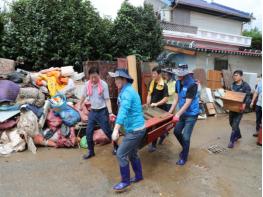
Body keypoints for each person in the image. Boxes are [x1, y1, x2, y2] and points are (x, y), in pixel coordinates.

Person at [109, 69, 145, 192]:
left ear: (124, 79)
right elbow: (123, 111)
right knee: (132, 153)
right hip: (134, 128)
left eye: (118, 79)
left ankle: (125, 181)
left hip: (136, 130)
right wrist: (118, 119)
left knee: (120, 154)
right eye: (115, 79)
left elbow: (124, 110)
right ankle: (139, 176)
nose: (115, 81)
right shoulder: (125, 90)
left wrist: (116, 128)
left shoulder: (128, 92)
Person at [79, 66, 117, 160]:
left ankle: (116, 147)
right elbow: (83, 96)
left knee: (107, 131)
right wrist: (80, 105)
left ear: (98, 75)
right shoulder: (87, 85)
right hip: (93, 112)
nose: (93, 79)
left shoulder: (103, 84)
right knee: (88, 131)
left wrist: (110, 112)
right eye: (91, 77)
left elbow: (107, 100)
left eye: (95, 77)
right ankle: (91, 152)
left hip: (102, 111)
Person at [168, 64, 199, 166]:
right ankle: (185, 148)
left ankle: (184, 157)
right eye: (178, 74)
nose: (178, 76)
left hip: (191, 114)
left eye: (181, 74)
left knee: (186, 137)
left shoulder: (192, 84)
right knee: (176, 132)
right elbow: (176, 99)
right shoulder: (177, 82)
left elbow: (188, 102)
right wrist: (170, 112)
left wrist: (177, 114)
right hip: (182, 112)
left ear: (186, 74)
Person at [146, 66, 168, 152]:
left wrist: (156, 104)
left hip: (161, 110)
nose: (153, 75)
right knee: (154, 127)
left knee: (156, 128)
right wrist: (148, 103)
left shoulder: (164, 85)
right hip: (152, 109)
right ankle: (162, 135)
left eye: (154, 73)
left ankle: (153, 145)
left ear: (159, 74)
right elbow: (149, 94)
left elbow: (165, 99)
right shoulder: (151, 83)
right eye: (152, 73)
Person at [227, 70, 251, 148]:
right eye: (234, 75)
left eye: (236, 75)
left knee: (235, 124)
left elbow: (248, 97)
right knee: (231, 123)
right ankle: (239, 135)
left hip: (240, 108)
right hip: (232, 108)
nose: (235, 77)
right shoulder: (232, 85)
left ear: (241, 76)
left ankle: (231, 142)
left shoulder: (246, 86)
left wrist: (244, 104)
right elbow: (230, 95)